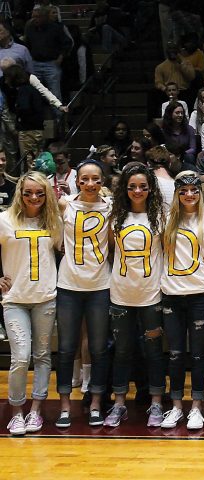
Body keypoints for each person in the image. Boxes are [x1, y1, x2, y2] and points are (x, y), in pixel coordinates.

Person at [103, 162, 165, 428]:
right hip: (120, 295)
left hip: (151, 295)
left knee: (153, 352)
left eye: (142, 186)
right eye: (132, 187)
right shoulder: (115, 216)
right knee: (122, 352)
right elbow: (106, 252)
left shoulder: (161, 217)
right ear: (124, 190)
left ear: (150, 188)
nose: (137, 191)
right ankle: (119, 404)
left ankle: (157, 403)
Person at [1, 172, 61, 435]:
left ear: (46, 193)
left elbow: (66, 252)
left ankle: (36, 410)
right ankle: (16, 412)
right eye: (28, 193)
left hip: (45, 297)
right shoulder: (4, 219)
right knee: (20, 357)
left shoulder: (54, 221)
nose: (34, 197)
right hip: (15, 299)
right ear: (20, 193)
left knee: (42, 356)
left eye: (39, 192)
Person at [55, 160, 112, 428]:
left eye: (96, 179)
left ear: (103, 181)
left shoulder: (111, 207)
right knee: (66, 348)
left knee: (99, 348)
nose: (90, 184)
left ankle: (96, 403)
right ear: (78, 180)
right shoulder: (65, 204)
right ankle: (65, 406)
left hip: (100, 285)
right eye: (85, 179)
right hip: (68, 286)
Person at [160, 171, 204, 430]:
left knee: (198, 354)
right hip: (171, 293)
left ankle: (196, 407)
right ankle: (176, 406)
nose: (189, 195)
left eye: (194, 190)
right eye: (183, 191)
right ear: (177, 193)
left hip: (200, 293)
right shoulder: (165, 219)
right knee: (174, 354)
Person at [161, 101, 196, 168]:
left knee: (190, 157)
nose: (180, 115)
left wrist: (181, 154)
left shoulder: (189, 129)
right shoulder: (164, 130)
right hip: (169, 157)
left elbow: (193, 148)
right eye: (177, 113)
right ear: (170, 114)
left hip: (185, 157)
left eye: (182, 113)